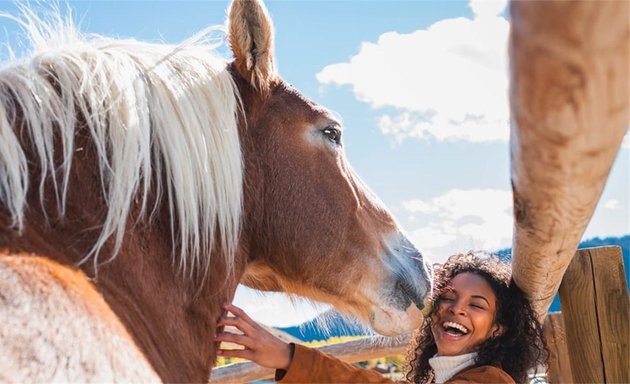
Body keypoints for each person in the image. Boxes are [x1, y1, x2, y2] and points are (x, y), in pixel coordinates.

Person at [216, 252, 548, 383]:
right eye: (447, 297)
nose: (457, 307)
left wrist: (289, 357)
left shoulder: (492, 382)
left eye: (477, 305)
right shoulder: (439, 379)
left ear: (496, 329)